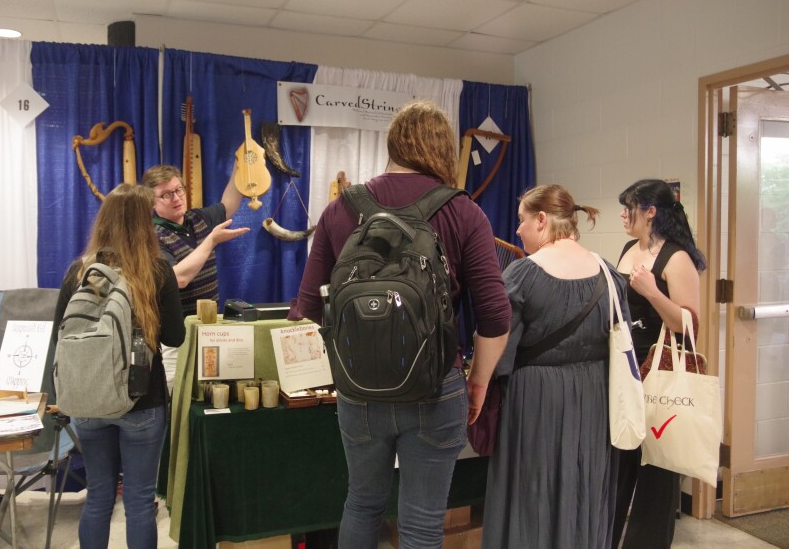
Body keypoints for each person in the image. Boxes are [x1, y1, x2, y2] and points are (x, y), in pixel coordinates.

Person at [290, 100, 511, 549]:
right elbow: (495, 315)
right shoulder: (463, 212)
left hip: (359, 392)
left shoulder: (340, 210)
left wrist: (358, 354)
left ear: (392, 144)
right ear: (442, 151)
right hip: (436, 386)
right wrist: (478, 383)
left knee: (362, 504)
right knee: (423, 522)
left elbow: (309, 308)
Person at [481, 184, 626, 549]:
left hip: (536, 399)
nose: (517, 231)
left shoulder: (521, 276)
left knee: (532, 489)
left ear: (541, 220)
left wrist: (479, 382)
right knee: (585, 484)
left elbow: (499, 352)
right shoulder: (609, 274)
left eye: (522, 221)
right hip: (595, 396)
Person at [50, 184, 186, 549]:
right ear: (146, 223)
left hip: (88, 401)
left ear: (103, 221)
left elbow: (57, 341)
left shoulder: (78, 272)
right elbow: (175, 337)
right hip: (141, 401)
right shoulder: (157, 270)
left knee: (98, 496)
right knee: (140, 501)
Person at [611, 179, 707, 549]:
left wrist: (651, 291)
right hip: (626, 374)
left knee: (656, 475)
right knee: (620, 469)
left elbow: (689, 326)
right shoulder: (627, 249)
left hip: (660, 378)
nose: (623, 214)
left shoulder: (677, 257)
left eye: (629, 207)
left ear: (651, 212)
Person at [141, 164, 249, 391]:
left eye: (178, 190)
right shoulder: (151, 236)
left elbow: (227, 205)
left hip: (208, 329)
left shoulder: (197, 218)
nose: (176, 198)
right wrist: (211, 240)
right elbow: (178, 278)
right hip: (174, 338)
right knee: (176, 394)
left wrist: (241, 165)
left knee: (209, 393)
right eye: (166, 195)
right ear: (152, 202)